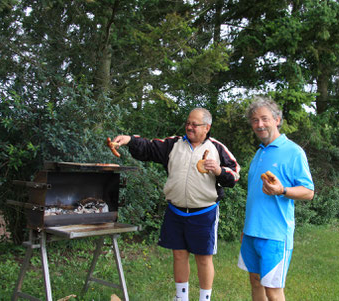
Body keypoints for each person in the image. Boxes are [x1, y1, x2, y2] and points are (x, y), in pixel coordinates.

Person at [112, 108, 240, 301]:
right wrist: (129, 140)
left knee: (203, 258)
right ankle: (181, 298)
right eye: (188, 123)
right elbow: (148, 148)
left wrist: (219, 170)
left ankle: (204, 299)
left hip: (204, 212)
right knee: (179, 255)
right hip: (175, 210)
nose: (189, 127)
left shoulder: (217, 148)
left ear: (207, 127)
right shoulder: (174, 144)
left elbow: (234, 174)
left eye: (194, 124)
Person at [237, 96, 314, 301]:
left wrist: (283, 191)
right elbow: (255, 197)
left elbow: (309, 191)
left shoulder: (293, 152)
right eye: (255, 120)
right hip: (252, 232)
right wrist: (246, 230)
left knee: (273, 289)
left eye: (265, 119)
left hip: (276, 235)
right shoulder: (259, 153)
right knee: (255, 282)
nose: (259, 124)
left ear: (277, 119)